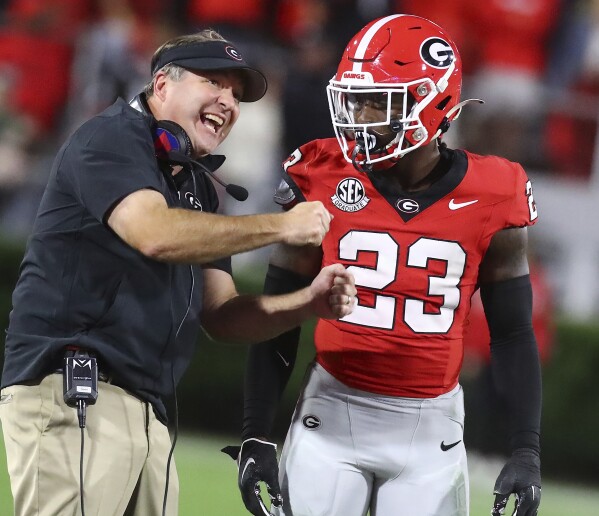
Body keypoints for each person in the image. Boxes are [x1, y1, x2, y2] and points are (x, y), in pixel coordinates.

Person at [0, 29, 357, 516]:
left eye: (236, 93)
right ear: (162, 85)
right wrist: (281, 226)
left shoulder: (196, 185)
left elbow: (222, 313)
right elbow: (153, 232)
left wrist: (307, 303)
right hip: (77, 387)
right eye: (213, 81)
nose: (228, 101)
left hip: (151, 409)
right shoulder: (111, 137)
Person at [227, 14, 542, 516]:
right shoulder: (321, 171)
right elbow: (280, 313)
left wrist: (526, 448)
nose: (359, 116)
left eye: (378, 101)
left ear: (432, 104)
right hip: (330, 419)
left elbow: (512, 334)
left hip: (431, 432)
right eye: (355, 99)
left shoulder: (495, 191)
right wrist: (257, 432)